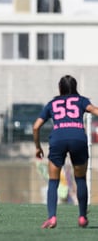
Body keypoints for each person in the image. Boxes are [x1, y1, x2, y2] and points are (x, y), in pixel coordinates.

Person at [33, 75, 98, 228]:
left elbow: (36, 126)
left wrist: (37, 147)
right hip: (78, 139)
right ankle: (82, 217)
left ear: (59, 88)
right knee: (80, 179)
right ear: (75, 87)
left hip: (58, 139)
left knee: (53, 181)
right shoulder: (81, 100)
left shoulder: (52, 103)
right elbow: (95, 110)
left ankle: (52, 218)